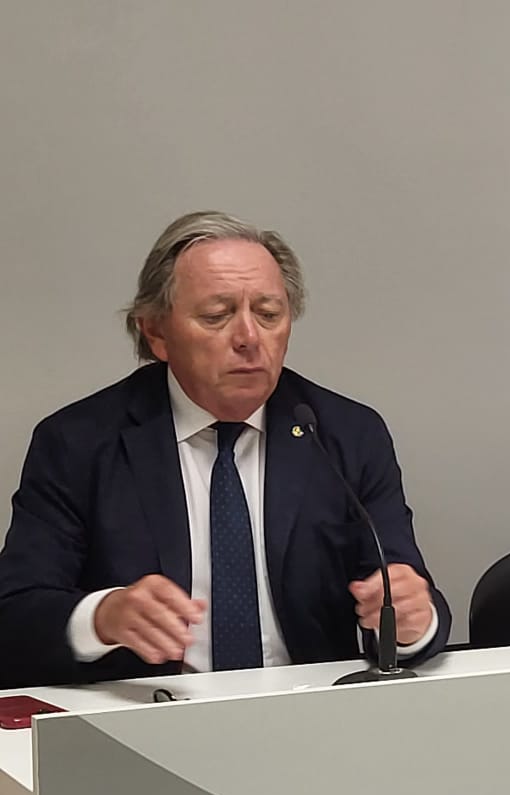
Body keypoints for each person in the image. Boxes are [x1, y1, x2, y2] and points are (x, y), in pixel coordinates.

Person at [0, 211, 450, 686]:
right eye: (217, 316)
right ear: (156, 333)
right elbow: (15, 613)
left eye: (269, 314)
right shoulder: (79, 442)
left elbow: (406, 590)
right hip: (145, 719)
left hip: (311, 713)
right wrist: (101, 617)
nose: (249, 338)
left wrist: (411, 624)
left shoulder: (344, 434)